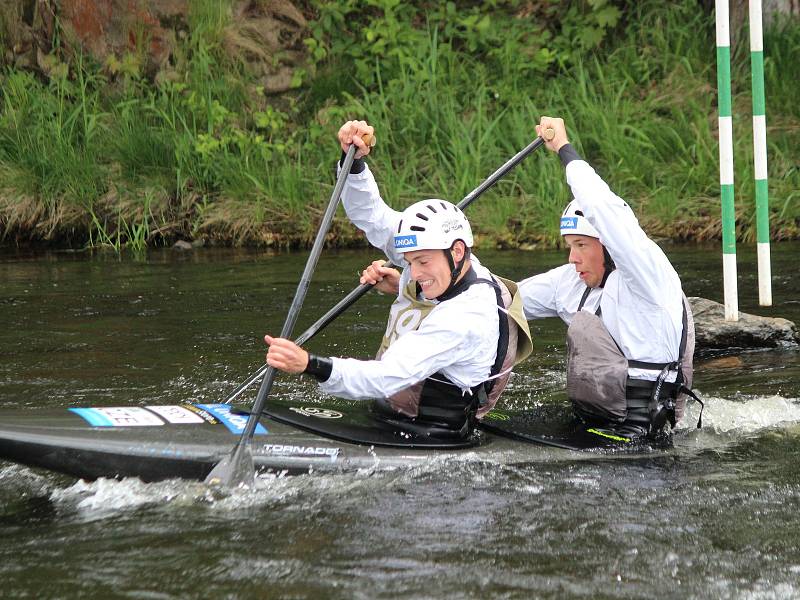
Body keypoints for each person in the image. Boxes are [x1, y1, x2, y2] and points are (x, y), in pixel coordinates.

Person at [264, 121, 532, 440]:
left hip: (425, 429)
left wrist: (309, 364)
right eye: (409, 263)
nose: (415, 274)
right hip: (390, 409)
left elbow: (389, 376)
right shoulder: (443, 258)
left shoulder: (467, 316)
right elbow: (372, 217)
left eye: (422, 263)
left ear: (457, 251)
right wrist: (355, 164)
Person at [518, 116, 699, 440]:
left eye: (582, 246)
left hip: (643, 430)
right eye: (570, 246)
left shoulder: (647, 273)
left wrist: (562, 148)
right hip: (596, 419)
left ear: (610, 246)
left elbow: (604, 208)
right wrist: (419, 280)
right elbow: (502, 299)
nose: (573, 257)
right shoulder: (571, 282)